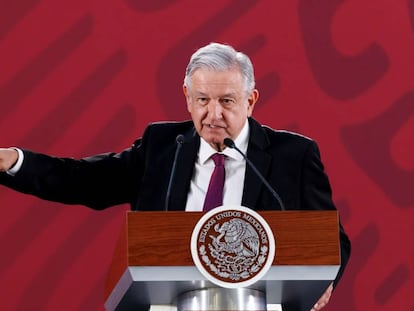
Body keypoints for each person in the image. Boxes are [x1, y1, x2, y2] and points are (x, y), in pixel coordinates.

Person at [0, 42, 350, 310]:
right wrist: (13, 161)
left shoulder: (294, 155)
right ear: (187, 97)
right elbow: (86, 179)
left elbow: (331, 238)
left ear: (251, 100)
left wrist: (323, 282)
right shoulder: (163, 145)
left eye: (227, 101)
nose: (213, 114)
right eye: (202, 100)